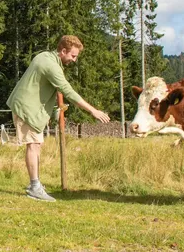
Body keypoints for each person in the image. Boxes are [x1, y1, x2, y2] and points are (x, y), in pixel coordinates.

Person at [6, 35, 110, 201]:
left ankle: (35, 184)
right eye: (73, 56)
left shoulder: (45, 56)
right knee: (33, 145)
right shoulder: (51, 66)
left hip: (30, 108)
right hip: (26, 109)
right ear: (63, 51)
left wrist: (49, 111)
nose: (74, 60)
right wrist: (93, 111)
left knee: (36, 144)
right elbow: (67, 91)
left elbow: (43, 87)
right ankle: (34, 187)